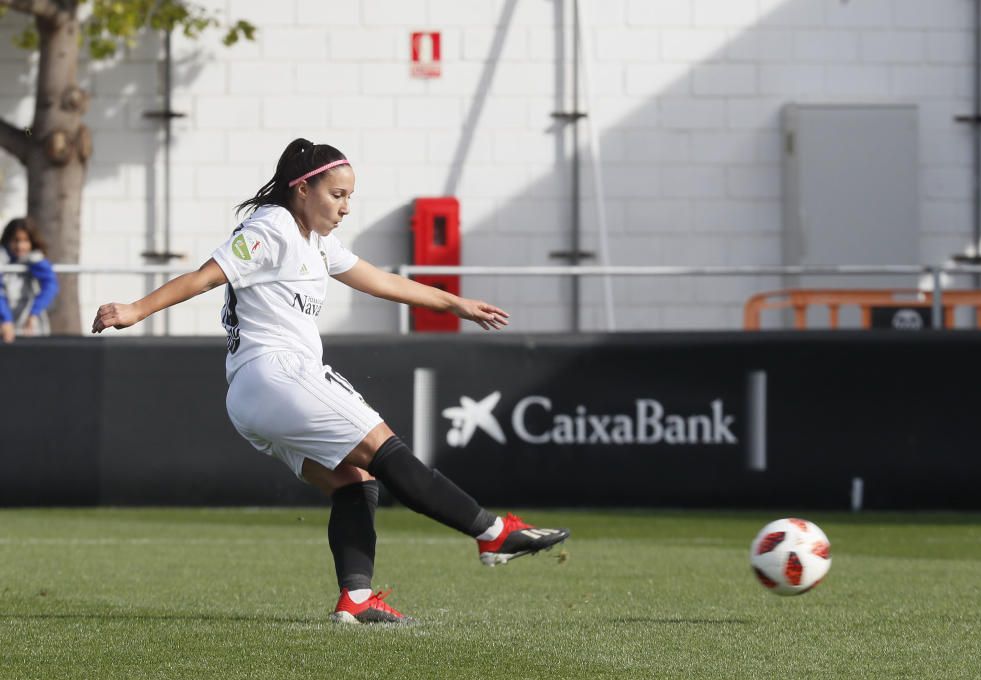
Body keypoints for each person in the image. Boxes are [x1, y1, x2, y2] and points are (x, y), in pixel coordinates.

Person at [92, 139, 569, 624]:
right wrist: (135, 309)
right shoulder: (273, 227)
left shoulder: (316, 242)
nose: (344, 207)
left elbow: (382, 281)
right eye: (337, 194)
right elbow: (205, 277)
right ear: (303, 188)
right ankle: (491, 532)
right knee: (385, 450)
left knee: (353, 480)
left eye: (349, 198)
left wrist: (454, 303)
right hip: (278, 374)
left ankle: (356, 600)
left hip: (252, 397)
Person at [0, 217, 59, 344]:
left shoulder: (36, 261)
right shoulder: (3, 262)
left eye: (25, 241)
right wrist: (5, 320)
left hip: (29, 326)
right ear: (7, 240)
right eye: (16, 240)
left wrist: (33, 313)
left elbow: (50, 285)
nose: (20, 246)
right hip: (5, 327)